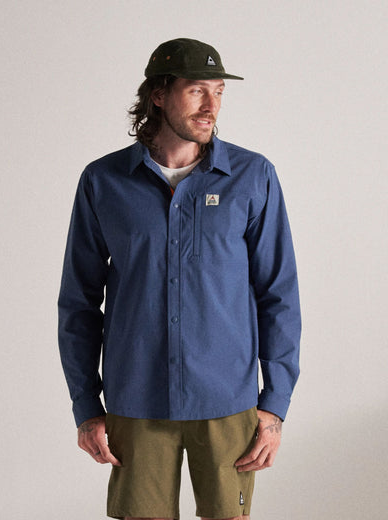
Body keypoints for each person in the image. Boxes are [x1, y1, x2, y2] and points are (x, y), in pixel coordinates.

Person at [58, 38, 301, 520]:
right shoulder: (103, 181)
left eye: (219, 91)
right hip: (136, 398)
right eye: (196, 90)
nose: (212, 105)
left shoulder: (252, 176)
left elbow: (278, 294)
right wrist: (86, 404)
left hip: (227, 399)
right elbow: (79, 303)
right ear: (158, 95)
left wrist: (274, 405)